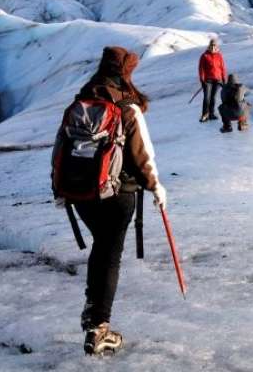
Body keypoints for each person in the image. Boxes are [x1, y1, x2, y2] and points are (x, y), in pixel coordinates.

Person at [71, 46, 167, 355]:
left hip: (81, 194)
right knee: (109, 254)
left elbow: (64, 146)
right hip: (117, 193)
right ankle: (99, 327)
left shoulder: (82, 101)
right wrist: (155, 187)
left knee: (102, 249)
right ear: (125, 72)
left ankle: (93, 315)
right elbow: (141, 155)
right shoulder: (126, 106)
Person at [197, 38, 227, 122]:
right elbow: (201, 69)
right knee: (207, 97)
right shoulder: (204, 56)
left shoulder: (219, 55)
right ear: (209, 46)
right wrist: (202, 80)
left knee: (213, 97)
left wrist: (224, 79)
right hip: (207, 80)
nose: (213, 47)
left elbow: (222, 68)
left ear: (216, 46)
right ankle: (204, 115)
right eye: (211, 45)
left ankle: (211, 114)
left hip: (217, 80)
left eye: (214, 45)